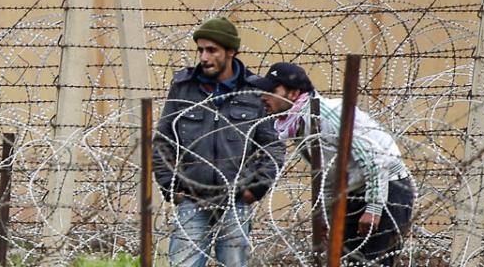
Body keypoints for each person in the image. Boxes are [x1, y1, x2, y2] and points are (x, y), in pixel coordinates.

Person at [254, 62, 415, 267]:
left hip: (388, 188)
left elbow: (374, 158)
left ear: (293, 93)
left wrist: (374, 208)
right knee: (347, 261)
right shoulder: (300, 124)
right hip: (353, 193)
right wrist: (328, 218)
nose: (263, 97)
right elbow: (329, 175)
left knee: (376, 262)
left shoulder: (326, 115)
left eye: (270, 91)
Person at [153, 17, 284, 267]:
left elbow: (272, 145)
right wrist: (172, 187)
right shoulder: (184, 88)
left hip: (236, 201)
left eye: (212, 50)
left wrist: (255, 189)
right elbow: (163, 140)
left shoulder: (253, 91)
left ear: (231, 51)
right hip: (191, 198)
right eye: (200, 49)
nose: (204, 57)